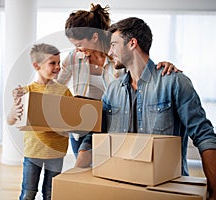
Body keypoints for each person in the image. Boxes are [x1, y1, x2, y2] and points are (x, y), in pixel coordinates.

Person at [102, 17, 216, 200]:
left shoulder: (174, 82)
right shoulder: (112, 90)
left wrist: (214, 193)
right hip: (121, 187)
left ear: (132, 43)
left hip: (167, 190)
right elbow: (92, 135)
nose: (109, 51)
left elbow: (205, 136)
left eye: (113, 45)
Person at [57, 3, 179, 167]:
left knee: (109, 172)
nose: (76, 49)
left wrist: (164, 65)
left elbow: (141, 68)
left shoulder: (119, 56)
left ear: (94, 37)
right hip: (82, 126)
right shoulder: (74, 57)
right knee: (82, 173)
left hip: (111, 126)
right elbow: (55, 84)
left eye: (79, 44)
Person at [7, 43, 72, 200]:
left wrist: (65, 128)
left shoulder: (64, 91)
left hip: (56, 151)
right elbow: (10, 120)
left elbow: (71, 121)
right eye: (52, 63)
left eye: (58, 62)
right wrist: (13, 112)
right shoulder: (26, 91)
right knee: (28, 192)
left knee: (50, 194)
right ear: (37, 66)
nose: (58, 67)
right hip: (33, 151)